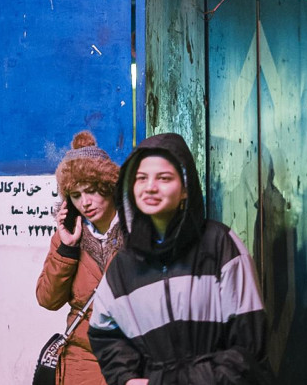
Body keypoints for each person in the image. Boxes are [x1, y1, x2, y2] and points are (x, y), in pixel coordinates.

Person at [88, 132, 269, 384]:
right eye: (141, 178)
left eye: (164, 178)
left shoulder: (219, 244)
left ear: (185, 189)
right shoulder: (123, 265)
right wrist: (125, 378)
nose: (150, 187)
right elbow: (103, 334)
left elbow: (249, 347)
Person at [35, 130, 123, 385]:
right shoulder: (68, 237)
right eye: (76, 195)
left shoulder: (136, 232)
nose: (85, 202)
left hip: (132, 357)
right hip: (81, 361)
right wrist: (67, 250)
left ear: (108, 186)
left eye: (92, 190)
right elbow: (47, 299)